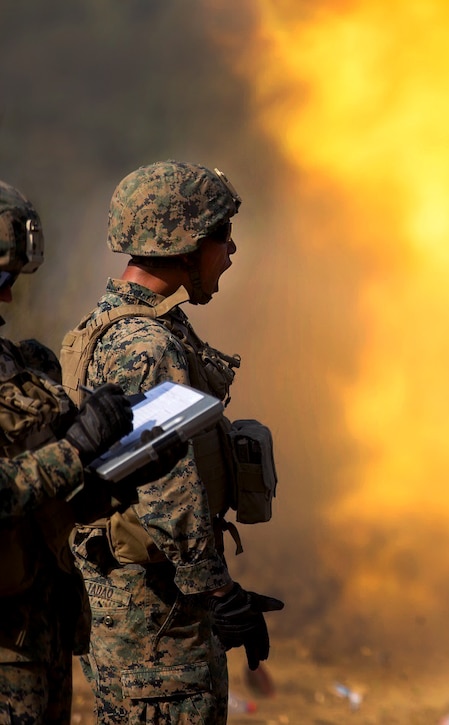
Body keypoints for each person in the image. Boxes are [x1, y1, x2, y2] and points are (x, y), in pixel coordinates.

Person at [60, 160, 284, 724]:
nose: (230, 252)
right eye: (221, 236)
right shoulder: (147, 346)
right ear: (184, 244)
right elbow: (167, 486)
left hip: (144, 603)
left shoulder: (122, 325)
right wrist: (218, 593)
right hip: (155, 619)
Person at [0, 179, 138, 724]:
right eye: (3, 277)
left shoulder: (20, 365)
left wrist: (110, 472)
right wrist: (76, 449)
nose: (8, 295)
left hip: (39, 632)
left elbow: (44, 501)